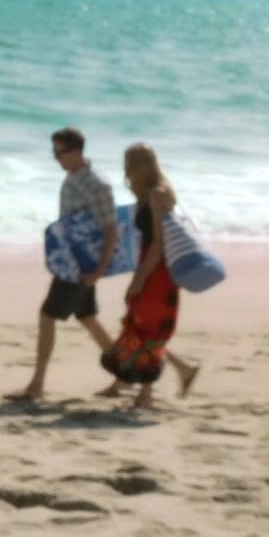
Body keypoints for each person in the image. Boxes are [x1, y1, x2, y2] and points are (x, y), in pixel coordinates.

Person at [6, 126, 118, 403]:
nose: (57, 159)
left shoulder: (98, 184)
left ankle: (37, 386)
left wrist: (99, 271)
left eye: (61, 153)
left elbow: (111, 229)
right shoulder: (72, 177)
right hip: (71, 262)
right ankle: (127, 372)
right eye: (54, 153)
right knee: (87, 318)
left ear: (77, 151)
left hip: (81, 268)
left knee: (47, 317)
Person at [97, 143, 202, 409]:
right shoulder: (150, 194)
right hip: (150, 265)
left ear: (141, 165)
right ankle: (173, 373)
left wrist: (140, 279)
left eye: (129, 164)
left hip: (158, 271)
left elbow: (157, 244)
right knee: (138, 325)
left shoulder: (157, 194)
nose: (126, 171)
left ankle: (146, 392)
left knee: (148, 327)